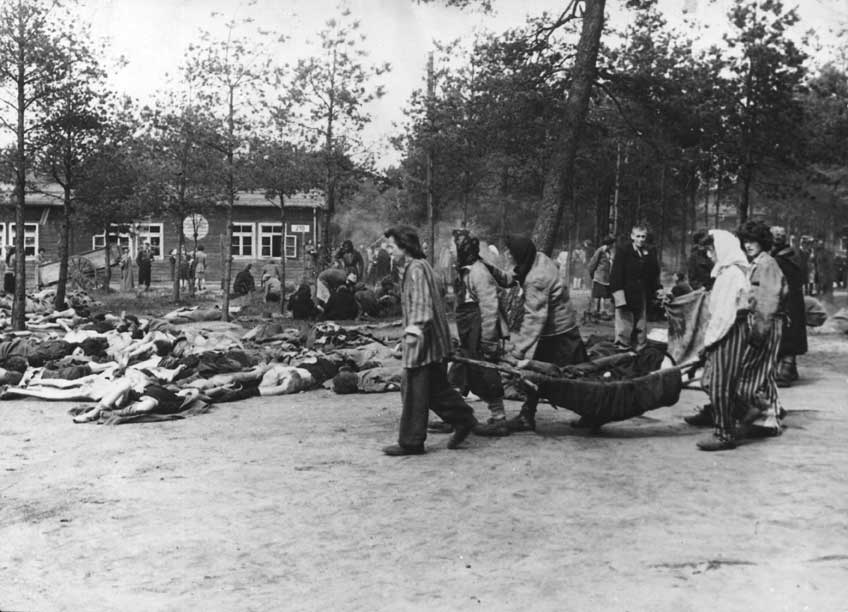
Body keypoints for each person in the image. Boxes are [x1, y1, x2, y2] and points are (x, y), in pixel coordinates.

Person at [475, 235, 586, 435]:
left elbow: (534, 319)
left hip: (561, 335)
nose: (507, 254)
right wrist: (488, 267)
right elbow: (511, 278)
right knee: (539, 379)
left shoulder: (537, 278)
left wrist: (518, 352)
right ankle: (527, 416)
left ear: (519, 254)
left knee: (574, 378)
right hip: (554, 332)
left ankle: (592, 413)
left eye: (510, 252)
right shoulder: (536, 258)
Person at [381, 224, 477, 455]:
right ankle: (464, 419)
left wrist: (411, 337)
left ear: (405, 247)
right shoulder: (422, 266)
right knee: (436, 390)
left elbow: (422, 307)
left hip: (423, 343)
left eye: (392, 246)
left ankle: (411, 442)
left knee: (413, 389)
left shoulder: (415, 270)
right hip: (432, 341)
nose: (389, 251)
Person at [693, 230, 752, 451]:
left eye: (711, 250)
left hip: (730, 331)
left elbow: (724, 315)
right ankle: (744, 410)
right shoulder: (725, 273)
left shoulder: (732, 276)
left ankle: (724, 433)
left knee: (720, 383)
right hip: (725, 330)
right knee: (709, 380)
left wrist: (709, 342)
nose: (709, 255)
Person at [447, 232, 507, 425]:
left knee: (485, 373)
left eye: (452, 248)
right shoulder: (465, 271)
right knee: (457, 374)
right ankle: (453, 417)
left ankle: (498, 417)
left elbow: (490, 308)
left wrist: (488, 340)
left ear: (462, 250)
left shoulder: (479, 272)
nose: (449, 251)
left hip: (479, 331)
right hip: (469, 332)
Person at [736, 220, 787, 437]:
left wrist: (759, 331)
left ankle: (764, 415)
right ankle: (771, 414)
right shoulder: (756, 263)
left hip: (766, 322)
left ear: (762, 242)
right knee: (764, 370)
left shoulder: (767, 264)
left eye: (753, 241)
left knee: (751, 369)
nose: (749, 245)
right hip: (760, 321)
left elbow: (769, 300)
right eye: (746, 241)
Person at [608, 224, 663, 350]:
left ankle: (640, 349)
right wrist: (618, 295)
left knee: (641, 324)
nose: (641, 239)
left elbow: (654, 273)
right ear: (632, 236)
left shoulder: (649, 252)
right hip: (625, 293)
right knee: (624, 325)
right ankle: (623, 348)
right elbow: (616, 274)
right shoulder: (623, 251)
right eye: (638, 236)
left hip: (641, 294)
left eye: (643, 236)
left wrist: (657, 289)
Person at [769, 227, 807, 387]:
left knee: (786, 334)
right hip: (795, 300)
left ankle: (785, 372)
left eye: (778, 236)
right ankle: (790, 369)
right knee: (792, 332)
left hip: (786, 300)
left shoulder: (778, 259)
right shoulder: (795, 255)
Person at [587, 236, 615, 316]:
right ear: (609, 244)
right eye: (612, 244)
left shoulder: (609, 252)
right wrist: (591, 273)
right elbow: (593, 262)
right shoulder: (600, 251)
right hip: (599, 276)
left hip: (606, 277)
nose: (612, 246)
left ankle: (603, 311)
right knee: (597, 295)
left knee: (604, 295)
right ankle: (595, 311)